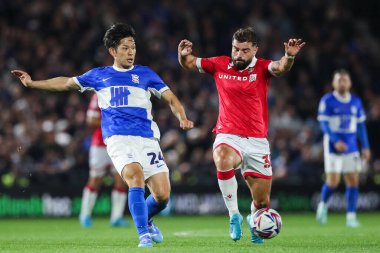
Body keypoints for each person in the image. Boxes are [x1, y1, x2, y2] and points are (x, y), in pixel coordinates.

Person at [12, 23, 194, 248]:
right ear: (112, 51)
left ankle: (146, 218)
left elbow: (171, 98)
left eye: (133, 47)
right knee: (134, 176)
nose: (131, 52)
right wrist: (32, 83)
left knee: (163, 196)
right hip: (118, 138)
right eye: (125, 48)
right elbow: (65, 83)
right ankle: (143, 236)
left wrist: (182, 117)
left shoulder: (146, 74)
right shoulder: (100, 76)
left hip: (147, 139)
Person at [178, 27, 305, 244]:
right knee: (223, 158)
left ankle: (255, 221)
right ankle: (233, 215)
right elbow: (190, 63)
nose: (238, 55)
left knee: (262, 202)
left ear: (255, 49)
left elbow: (281, 67)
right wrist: (182, 56)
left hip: (257, 141)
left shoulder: (263, 67)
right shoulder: (219, 64)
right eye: (236, 49)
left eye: (245, 51)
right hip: (228, 134)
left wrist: (289, 56)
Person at [316, 69, 371, 228]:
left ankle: (351, 217)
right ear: (334, 83)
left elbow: (360, 126)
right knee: (333, 181)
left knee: (353, 180)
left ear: (350, 83)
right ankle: (323, 205)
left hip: (351, 146)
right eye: (339, 80)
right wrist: (335, 140)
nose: (342, 82)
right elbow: (324, 124)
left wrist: (366, 147)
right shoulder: (327, 100)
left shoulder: (356, 101)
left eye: (345, 80)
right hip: (333, 146)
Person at [79, 93, 129, 228]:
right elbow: (90, 120)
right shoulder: (99, 96)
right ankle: (85, 214)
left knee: (121, 179)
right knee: (96, 179)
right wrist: (113, 121)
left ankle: (116, 217)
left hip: (119, 144)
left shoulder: (124, 94)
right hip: (100, 145)